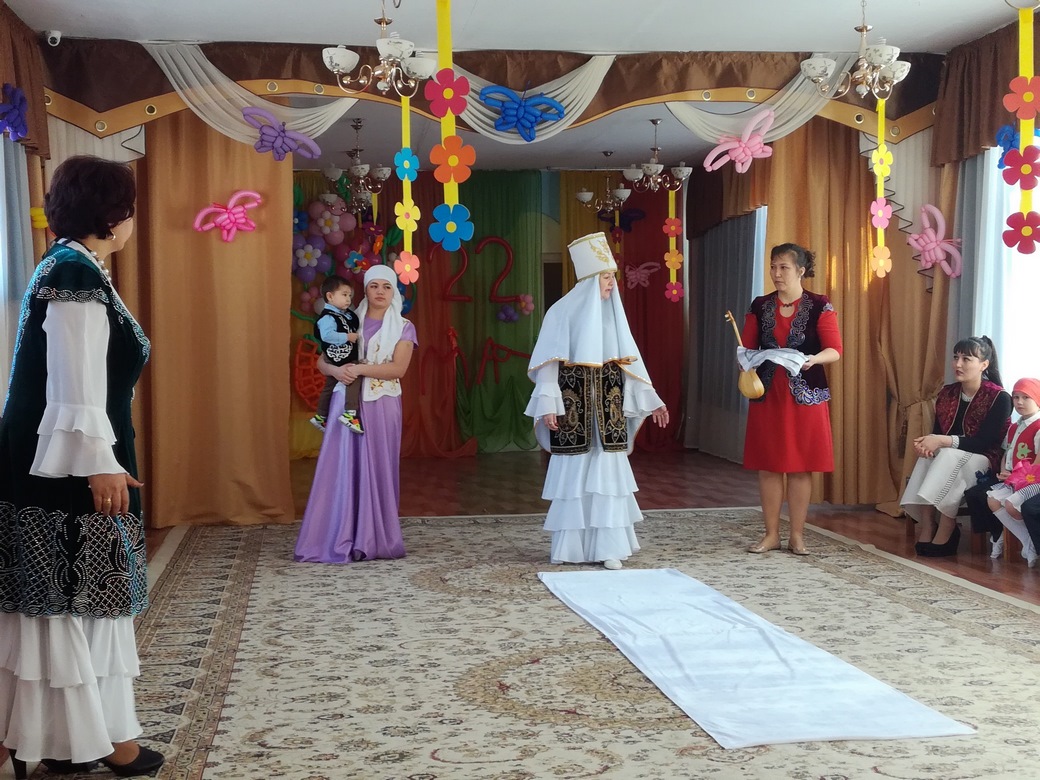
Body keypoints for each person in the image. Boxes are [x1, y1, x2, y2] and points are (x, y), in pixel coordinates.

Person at [0, 156, 163, 778]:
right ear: (113, 215)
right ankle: (97, 742)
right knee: (73, 596)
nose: (131, 221)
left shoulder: (71, 265)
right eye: (129, 210)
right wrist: (99, 461)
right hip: (66, 463)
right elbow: (75, 381)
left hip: (56, 457)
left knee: (75, 597)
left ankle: (69, 738)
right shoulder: (74, 273)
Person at [525, 232, 669, 570]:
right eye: (605, 276)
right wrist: (548, 404)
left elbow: (630, 367)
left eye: (612, 276)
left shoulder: (613, 316)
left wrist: (653, 400)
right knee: (573, 477)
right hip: (573, 410)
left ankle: (609, 549)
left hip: (608, 411)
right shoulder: (560, 313)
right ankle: (570, 548)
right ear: (590, 279)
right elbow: (548, 366)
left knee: (607, 480)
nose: (611, 283)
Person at [294, 264, 417, 563]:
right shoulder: (347, 320)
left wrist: (360, 369)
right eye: (374, 286)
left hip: (382, 404)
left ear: (394, 291)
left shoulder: (404, 326)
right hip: (345, 404)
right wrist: (337, 371)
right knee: (341, 467)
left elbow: (398, 369)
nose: (380, 292)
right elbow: (323, 362)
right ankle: (338, 534)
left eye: (386, 286)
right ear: (365, 290)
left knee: (378, 467)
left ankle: (375, 538)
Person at [741, 242, 843, 556]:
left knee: (801, 466)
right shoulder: (760, 305)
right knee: (769, 465)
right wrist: (746, 360)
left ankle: (797, 536)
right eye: (773, 267)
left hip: (806, 395)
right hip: (768, 394)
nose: (776, 273)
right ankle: (771, 534)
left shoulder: (820, 304)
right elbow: (746, 348)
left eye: (783, 267)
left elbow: (835, 350)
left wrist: (814, 359)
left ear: (800, 270)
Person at [900, 337, 1012, 558]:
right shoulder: (947, 393)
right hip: (950, 457)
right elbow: (937, 433)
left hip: (985, 458)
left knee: (948, 455)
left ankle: (947, 524)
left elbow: (984, 442)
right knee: (931, 456)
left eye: (966, 359)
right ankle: (928, 524)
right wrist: (928, 445)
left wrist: (942, 441)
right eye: (955, 357)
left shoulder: (999, 397)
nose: (958, 364)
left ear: (984, 364)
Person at [976, 378, 1040, 565]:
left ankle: (1030, 542)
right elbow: (1008, 452)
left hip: (1033, 480)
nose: (1019, 402)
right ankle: (1027, 540)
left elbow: (1037, 462)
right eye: (1016, 397)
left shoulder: (1038, 427)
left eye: (1026, 397)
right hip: (1014, 478)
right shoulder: (1014, 427)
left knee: (1012, 505)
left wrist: (1015, 477)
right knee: (993, 500)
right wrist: (1004, 470)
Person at [309, 274, 363, 434]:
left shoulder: (345, 314)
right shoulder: (327, 317)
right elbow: (327, 336)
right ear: (330, 296)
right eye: (344, 295)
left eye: (349, 296)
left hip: (340, 354)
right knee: (353, 374)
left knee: (330, 384)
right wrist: (347, 337)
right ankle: (350, 413)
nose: (348, 299)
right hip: (338, 355)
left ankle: (321, 416)